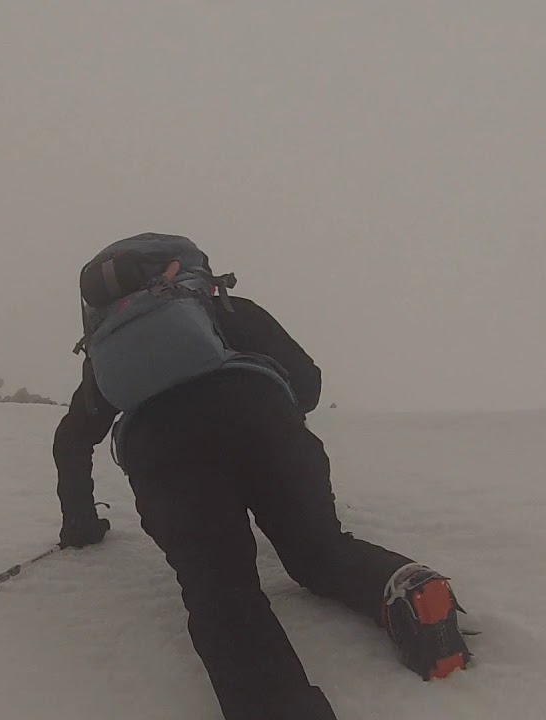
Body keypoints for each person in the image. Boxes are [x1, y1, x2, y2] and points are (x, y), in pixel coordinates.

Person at [53, 233, 470, 720]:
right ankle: (405, 584)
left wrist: (80, 523)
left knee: (222, 592)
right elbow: (308, 381)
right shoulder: (223, 310)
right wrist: (273, 419)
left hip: (165, 456)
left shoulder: (108, 356)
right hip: (265, 422)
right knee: (318, 551)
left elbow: (72, 441)